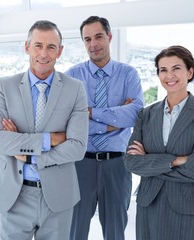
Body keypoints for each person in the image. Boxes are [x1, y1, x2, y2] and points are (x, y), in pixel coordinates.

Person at [0, 20, 89, 240]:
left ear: (60, 51)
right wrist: (48, 140)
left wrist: (29, 156)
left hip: (58, 197)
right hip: (14, 195)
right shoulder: (5, 86)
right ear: (27, 47)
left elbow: (78, 147)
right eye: (38, 45)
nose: (44, 53)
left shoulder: (75, 89)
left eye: (51, 47)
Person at [124, 45, 194, 240]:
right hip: (150, 202)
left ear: (190, 72)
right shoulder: (146, 114)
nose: (170, 75)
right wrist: (176, 160)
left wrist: (150, 161)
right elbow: (132, 162)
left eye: (176, 68)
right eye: (163, 70)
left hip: (188, 205)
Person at [65, 16, 144, 240]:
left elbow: (136, 114)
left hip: (118, 165)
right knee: (75, 230)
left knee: (115, 231)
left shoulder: (129, 74)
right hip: (81, 164)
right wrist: (114, 121)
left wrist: (89, 112)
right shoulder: (72, 76)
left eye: (98, 36)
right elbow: (69, 122)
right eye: (87, 39)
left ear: (109, 37)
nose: (93, 44)